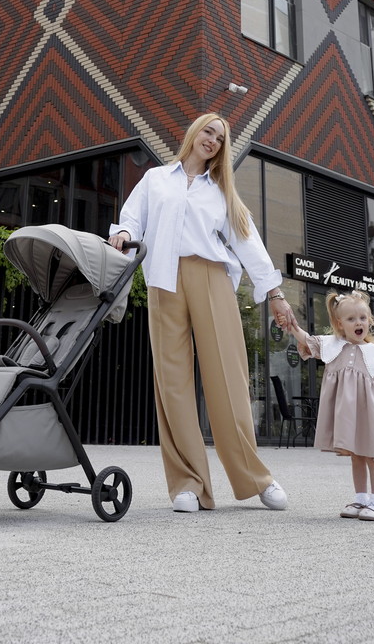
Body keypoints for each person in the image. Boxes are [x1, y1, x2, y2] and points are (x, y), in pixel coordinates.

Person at [108, 112, 296, 513]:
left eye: (220, 138)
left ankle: (256, 478)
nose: (213, 140)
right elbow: (132, 218)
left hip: (210, 276)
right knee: (172, 383)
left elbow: (247, 240)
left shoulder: (222, 191)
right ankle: (188, 484)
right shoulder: (156, 179)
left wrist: (275, 293)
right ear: (194, 133)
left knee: (228, 378)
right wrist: (123, 233)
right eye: (208, 131)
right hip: (162, 279)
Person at [275, 288, 374, 521]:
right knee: (356, 455)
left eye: (363, 318)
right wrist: (292, 326)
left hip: (371, 413)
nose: (358, 322)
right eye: (351, 319)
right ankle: (360, 499)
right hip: (349, 415)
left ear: (370, 321)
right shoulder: (333, 346)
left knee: (373, 456)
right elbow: (307, 339)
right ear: (340, 324)